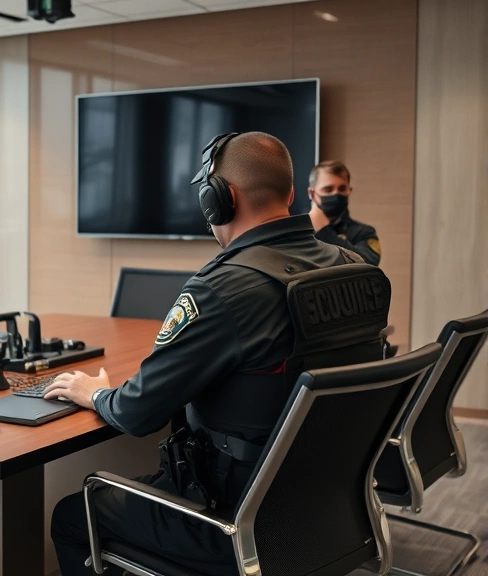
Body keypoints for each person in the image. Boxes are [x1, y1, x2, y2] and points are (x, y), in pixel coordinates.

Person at [44, 133, 390, 575]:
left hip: (233, 521)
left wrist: (95, 393)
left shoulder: (223, 290)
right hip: (331, 509)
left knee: (74, 515)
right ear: (290, 194)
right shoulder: (356, 270)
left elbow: (136, 413)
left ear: (218, 199)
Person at [307, 160, 381, 265]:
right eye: (328, 190)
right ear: (312, 194)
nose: (336, 194)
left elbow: (366, 266)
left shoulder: (364, 233)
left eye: (342, 189)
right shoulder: (297, 231)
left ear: (349, 190)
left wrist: (323, 231)